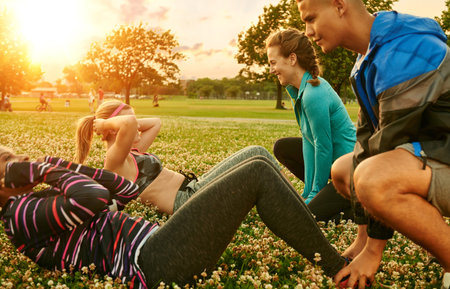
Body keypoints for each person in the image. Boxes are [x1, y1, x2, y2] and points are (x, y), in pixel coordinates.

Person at [0, 145, 348, 288]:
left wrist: (60, 167)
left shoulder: (35, 202)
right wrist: (45, 168)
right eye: (5, 164)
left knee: (255, 160)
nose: (14, 163)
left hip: (159, 246)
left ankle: (319, 240)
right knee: (255, 172)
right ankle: (340, 270)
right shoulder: (19, 215)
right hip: (154, 263)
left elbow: (122, 190)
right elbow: (93, 198)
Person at [295, 0, 450, 288]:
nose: (308, 32)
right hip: (439, 154)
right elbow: (367, 141)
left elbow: (387, 146)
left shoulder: (405, 52)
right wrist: (363, 241)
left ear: (339, 6)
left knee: (372, 179)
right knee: (344, 169)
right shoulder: (369, 54)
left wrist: (374, 251)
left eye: (310, 18)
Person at [75, 99, 281, 214]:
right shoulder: (114, 160)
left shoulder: (133, 151)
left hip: (196, 187)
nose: (137, 127)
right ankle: (290, 206)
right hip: (187, 201)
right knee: (257, 164)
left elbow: (155, 122)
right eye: (130, 123)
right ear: (113, 129)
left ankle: (292, 201)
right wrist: (103, 125)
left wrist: (129, 122)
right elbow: (128, 123)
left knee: (257, 153)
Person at [266, 28, 356, 223]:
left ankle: (358, 209)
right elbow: (309, 142)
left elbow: (324, 147)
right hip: (333, 165)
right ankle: (328, 199)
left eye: (273, 63)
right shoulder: (296, 90)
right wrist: (308, 192)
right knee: (282, 147)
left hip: (352, 172)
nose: (271, 70)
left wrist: (316, 192)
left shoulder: (314, 93)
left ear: (292, 59)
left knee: (306, 218)